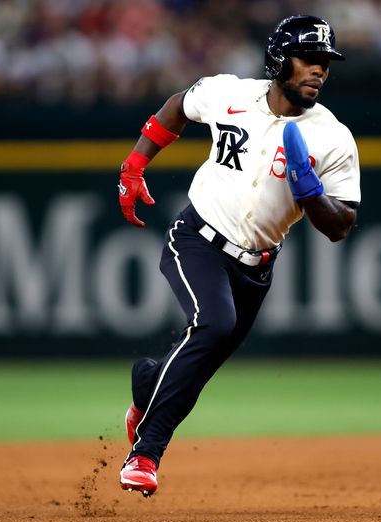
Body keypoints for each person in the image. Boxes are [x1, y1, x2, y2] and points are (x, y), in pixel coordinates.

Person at [117, 15, 361, 497]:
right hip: (197, 237)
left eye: (325, 63)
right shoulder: (230, 94)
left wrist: (311, 195)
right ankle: (145, 455)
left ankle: (147, 386)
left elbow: (341, 225)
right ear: (278, 59)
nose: (319, 70)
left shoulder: (333, 137)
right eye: (308, 58)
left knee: (198, 363)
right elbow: (179, 106)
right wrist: (136, 162)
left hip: (256, 268)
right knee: (213, 325)